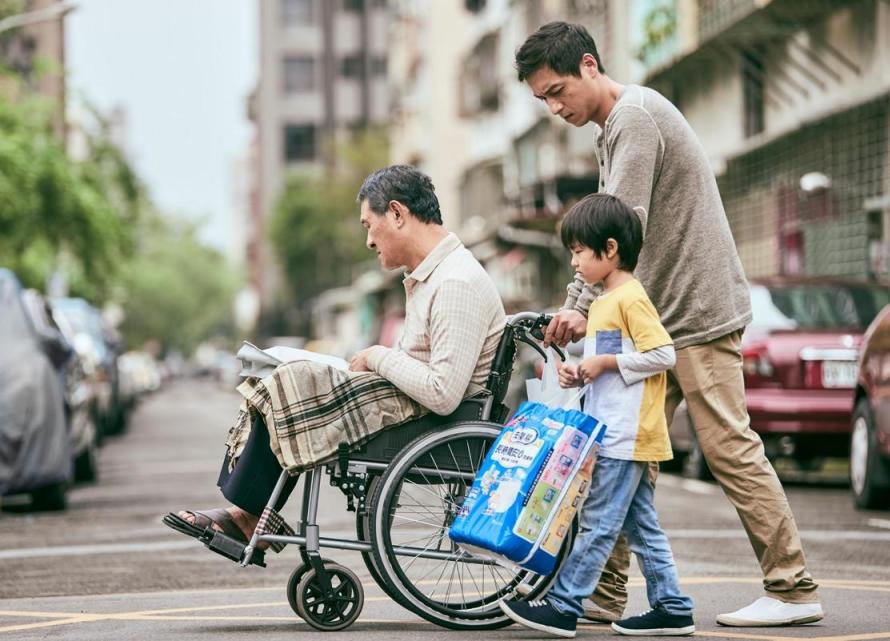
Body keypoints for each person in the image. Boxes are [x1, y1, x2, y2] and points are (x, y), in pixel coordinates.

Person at [513, 22, 823, 627]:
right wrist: (585, 305)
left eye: (556, 91)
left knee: (730, 449)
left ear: (588, 65)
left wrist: (577, 304)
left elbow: (619, 230)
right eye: (542, 100)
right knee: (625, 459)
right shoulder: (612, 129)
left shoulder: (634, 117)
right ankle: (602, 596)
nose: (554, 108)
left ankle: (792, 588)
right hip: (655, 324)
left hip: (696, 316)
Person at [164, 165, 506, 556]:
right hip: (410, 407)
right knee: (276, 375)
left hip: (434, 420)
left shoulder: (455, 283)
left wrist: (378, 356)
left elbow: (443, 393)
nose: (368, 241)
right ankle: (248, 512)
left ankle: (246, 514)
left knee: (288, 385)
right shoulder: (433, 277)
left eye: (368, 225)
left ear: (397, 214)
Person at [500, 193, 694, 638]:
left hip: (629, 434)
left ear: (609, 250)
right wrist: (581, 373)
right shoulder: (607, 301)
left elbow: (663, 353)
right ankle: (672, 605)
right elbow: (614, 361)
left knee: (599, 522)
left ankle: (564, 605)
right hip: (613, 430)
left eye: (579, 252)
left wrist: (603, 365)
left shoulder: (629, 298)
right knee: (639, 524)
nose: (574, 263)